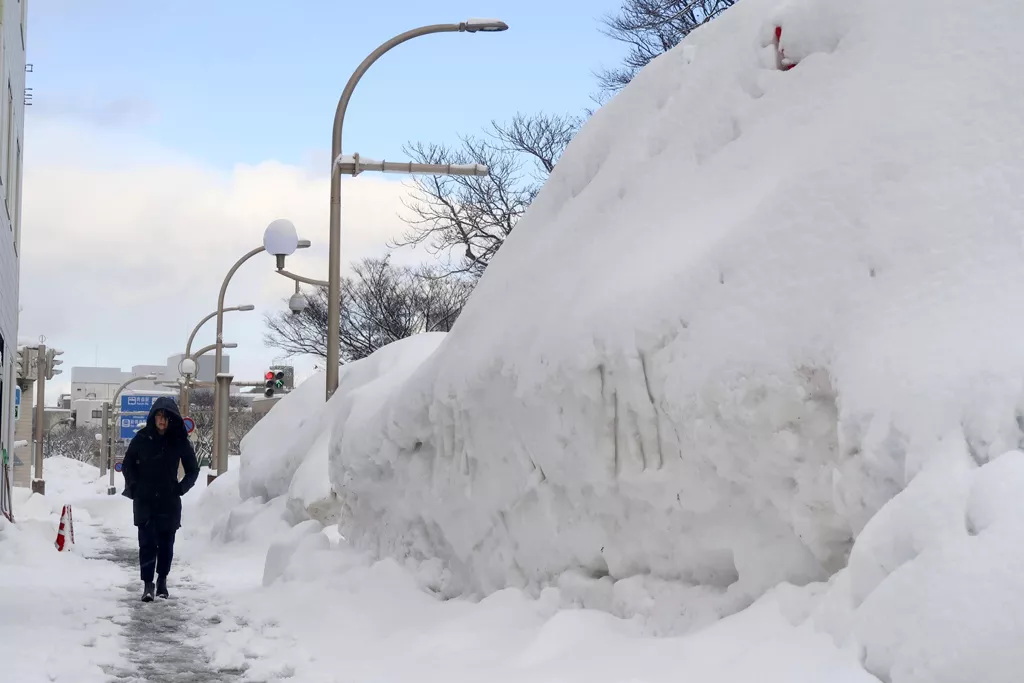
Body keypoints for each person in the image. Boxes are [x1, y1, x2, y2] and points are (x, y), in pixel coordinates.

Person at [121, 396, 199, 602]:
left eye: (166, 417)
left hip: (169, 501)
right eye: (159, 416)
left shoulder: (179, 441)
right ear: (153, 417)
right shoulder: (142, 438)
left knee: (166, 544)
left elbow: (193, 470)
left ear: (171, 419)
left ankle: (162, 580)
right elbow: (127, 465)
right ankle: (148, 584)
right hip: (145, 500)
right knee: (146, 543)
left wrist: (180, 489)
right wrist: (135, 486)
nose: (162, 421)